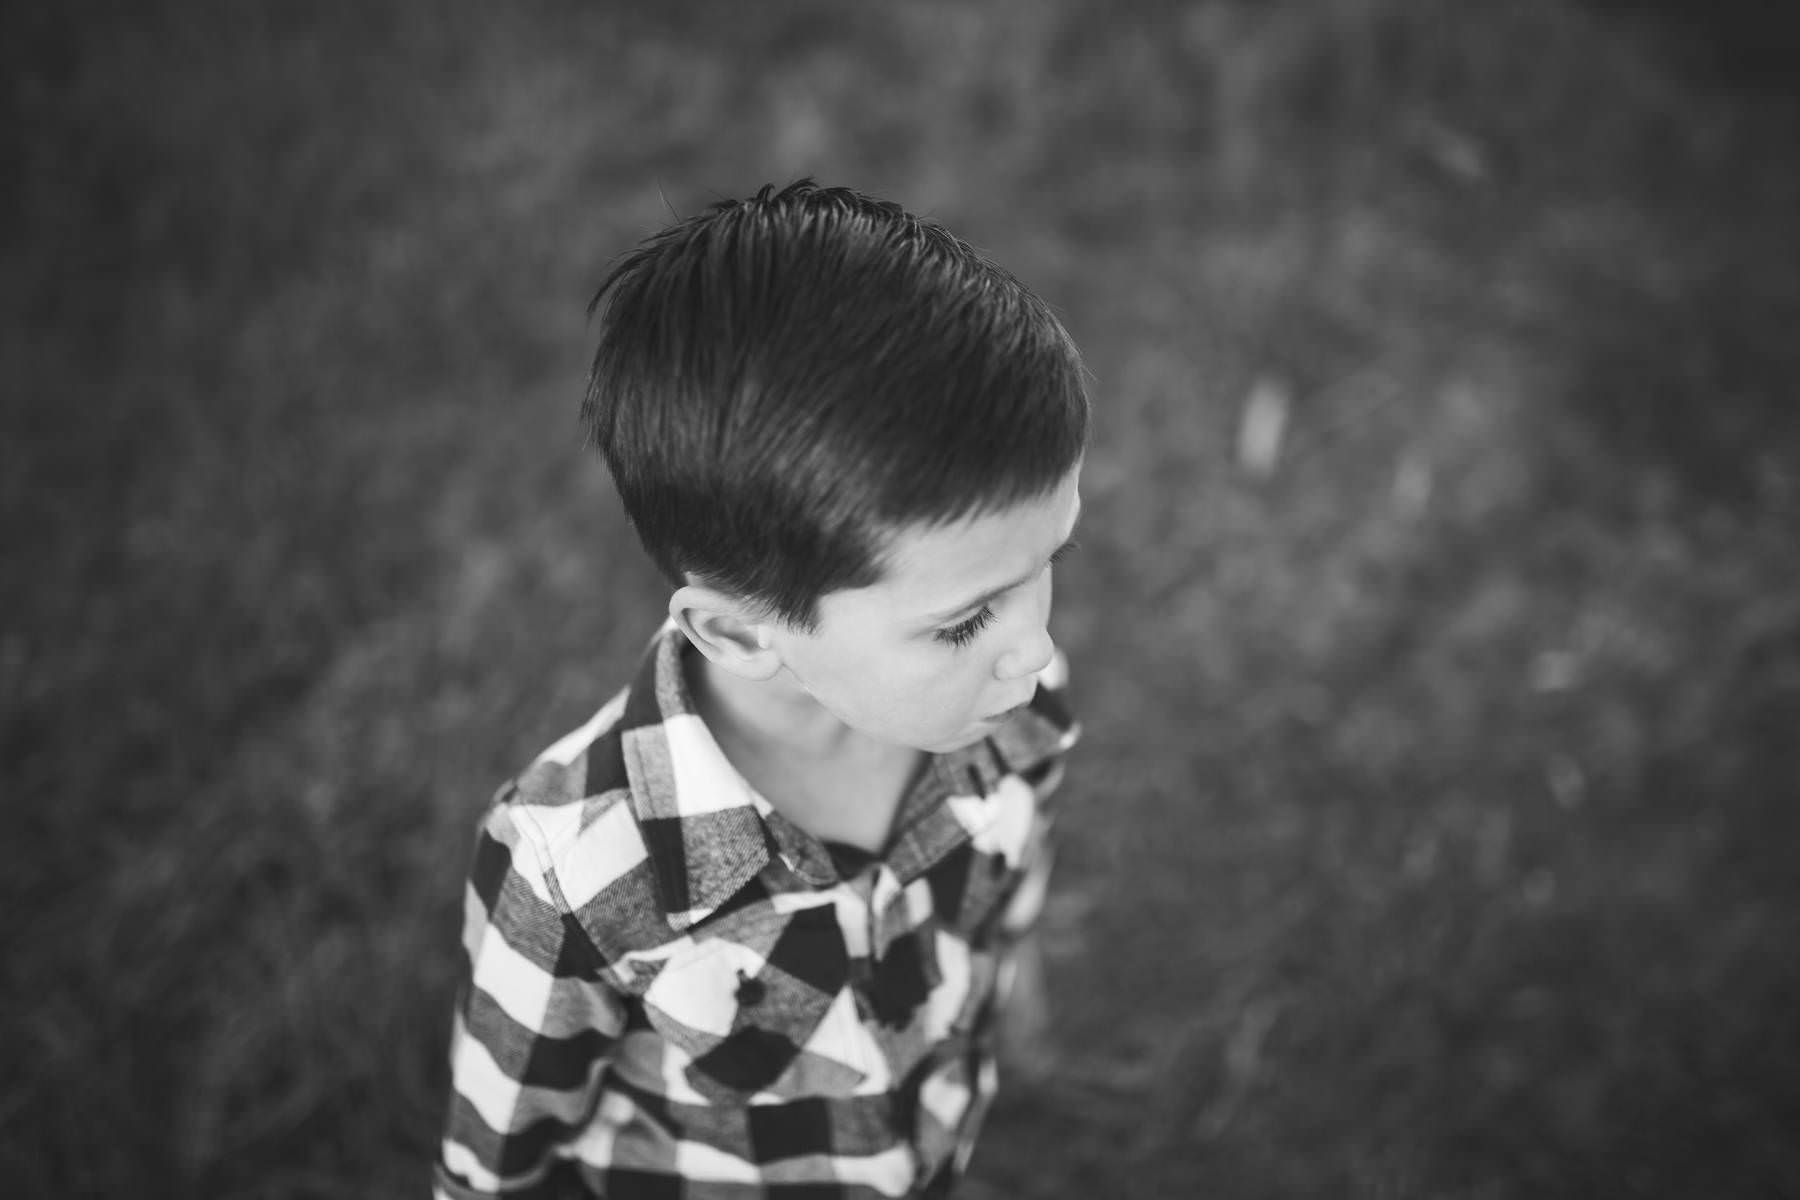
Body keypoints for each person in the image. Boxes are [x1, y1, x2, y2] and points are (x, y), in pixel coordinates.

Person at [435, 180, 1088, 1200]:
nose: (1035, 645)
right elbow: (495, 1162)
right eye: (962, 622)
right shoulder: (575, 873)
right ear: (739, 634)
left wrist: (1020, 992)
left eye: (1049, 558)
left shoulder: (1015, 705)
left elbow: (1012, 887)